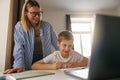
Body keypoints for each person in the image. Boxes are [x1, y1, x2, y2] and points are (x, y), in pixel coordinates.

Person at [4, 0, 59, 74]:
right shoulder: (20, 27)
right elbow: (19, 48)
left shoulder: (47, 26)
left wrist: (70, 55)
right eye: (33, 13)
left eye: (39, 13)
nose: (37, 16)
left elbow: (58, 44)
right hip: (27, 66)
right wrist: (19, 65)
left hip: (44, 66)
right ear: (26, 13)